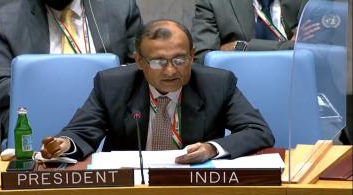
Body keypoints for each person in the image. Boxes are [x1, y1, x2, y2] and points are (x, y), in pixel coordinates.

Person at [40, 19, 274, 164]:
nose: (171, 70)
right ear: (139, 61)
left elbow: (258, 131)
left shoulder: (217, 84)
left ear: (193, 56)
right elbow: (82, 131)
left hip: (193, 186)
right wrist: (64, 144)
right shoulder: (113, 85)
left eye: (180, 59)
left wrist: (212, 148)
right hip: (130, 187)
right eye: (158, 62)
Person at [0, 0, 142, 150]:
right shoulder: (6, 21)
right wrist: (59, 91)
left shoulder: (120, 8)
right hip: (40, 121)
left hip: (107, 123)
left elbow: (139, 71)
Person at [192, 0, 309, 63]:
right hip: (241, 88)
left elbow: (319, 49)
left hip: (297, 79)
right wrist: (290, 46)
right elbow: (203, 58)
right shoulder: (213, 3)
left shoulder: (305, 3)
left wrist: (242, 47)